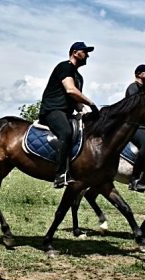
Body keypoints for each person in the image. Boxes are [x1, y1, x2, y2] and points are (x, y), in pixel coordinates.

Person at [38, 41, 100, 188]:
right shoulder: (65, 67)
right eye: (85, 52)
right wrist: (91, 103)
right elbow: (70, 90)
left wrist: (88, 113)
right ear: (75, 53)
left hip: (66, 113)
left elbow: (76, 102)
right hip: (52, 110)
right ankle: (60, 174)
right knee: (66, 132)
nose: (87, 55)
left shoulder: (79, 77)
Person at [125, 64, 145, 192]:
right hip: (134, 125)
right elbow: (136, 108)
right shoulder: (132, 88)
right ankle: (135, 179)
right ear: (138, 74)